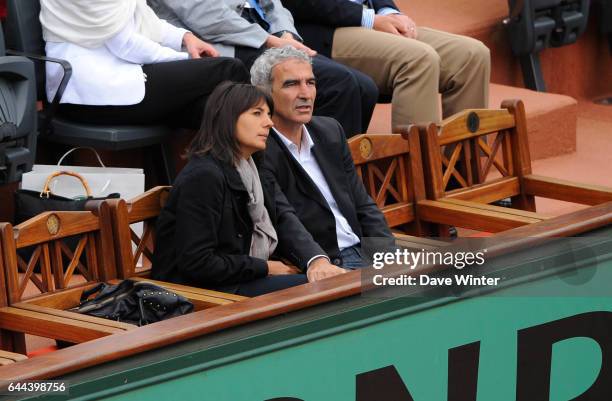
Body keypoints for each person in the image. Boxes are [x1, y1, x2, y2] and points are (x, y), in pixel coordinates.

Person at [152, 82, 346, 296]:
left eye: (269, 114)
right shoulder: (204, 176)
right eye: (257, 113)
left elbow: (283, 219)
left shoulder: (254, 168)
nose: (269, 123)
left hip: (238, 278)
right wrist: (265, 267)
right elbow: (197, 262)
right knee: (322, 291)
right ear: (228, 118)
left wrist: (315, 261)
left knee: (340, 282)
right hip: (202, 293)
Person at [147, 0, 379, 136]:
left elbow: (274, 4)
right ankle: (314, 187)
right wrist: (270, 40)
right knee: (340, 85)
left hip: (266, 35)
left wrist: (285, 32)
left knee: (365, 87)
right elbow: (206, 16)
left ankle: (337, 182)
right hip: (223, 46)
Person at [251, 47, 393, 269]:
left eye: (310, 83)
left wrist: (388, 255)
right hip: (327, 263)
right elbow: (284, 219)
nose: (305, 94)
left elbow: (362, 202)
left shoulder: (330, 130)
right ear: (264, 93)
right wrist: (317, 261)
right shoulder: (259, 148)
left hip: (367, 252)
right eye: (291, 84)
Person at [40, 0, 249, 129]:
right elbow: (126, 45)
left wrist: (185, 38)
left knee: (213, 109)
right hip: (90, 96)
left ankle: (245, 192)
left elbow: (141, 19)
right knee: (230, 70)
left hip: (119, 81)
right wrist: (186, 60)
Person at [282, 0, 491, 129]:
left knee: (472, 55)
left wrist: (388, 11)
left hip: (371, 19)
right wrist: (369, 19)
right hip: (326, 29)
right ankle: (419, 182)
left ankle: (462, 176)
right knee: (419, 59)